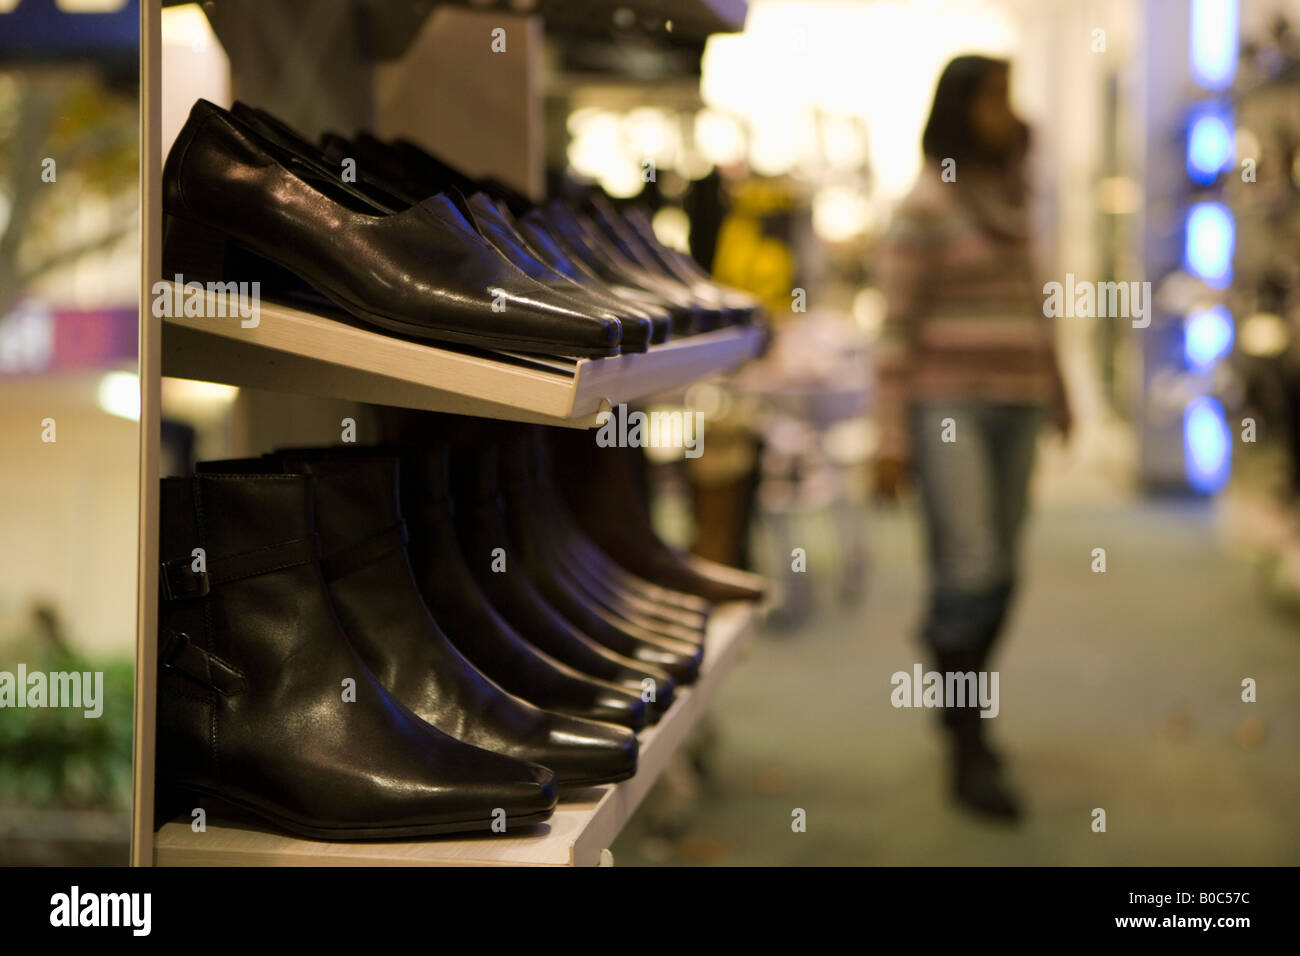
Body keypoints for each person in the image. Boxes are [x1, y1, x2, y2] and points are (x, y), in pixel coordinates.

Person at [874, 55, 1070, 821]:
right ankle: (965, 739)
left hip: (1019, 402)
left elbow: (1035, 303)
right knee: (973, 561)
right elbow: (895, 330)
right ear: (959, 107)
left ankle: (962, 695)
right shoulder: (922, 206)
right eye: (993, 97)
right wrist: (889, 436)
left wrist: (1060, 389)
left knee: (1002, 571)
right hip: (947, 404)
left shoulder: (1016, 197)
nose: (1007, 111)